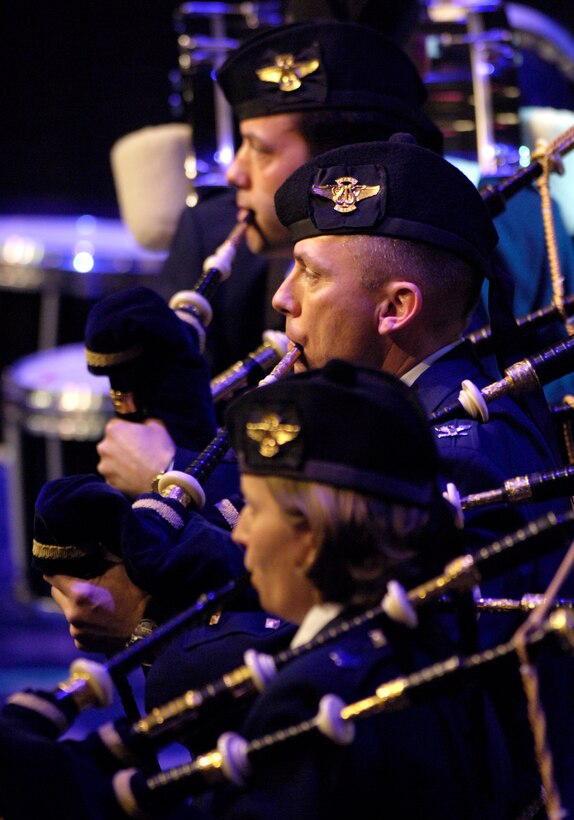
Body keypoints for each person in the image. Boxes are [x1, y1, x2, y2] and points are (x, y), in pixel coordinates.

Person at [0, 361, 516, 819]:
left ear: (311, 537)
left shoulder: (316, 698)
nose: (239, 532)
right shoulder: (417, 645)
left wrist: (52, 785)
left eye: (254, 507)